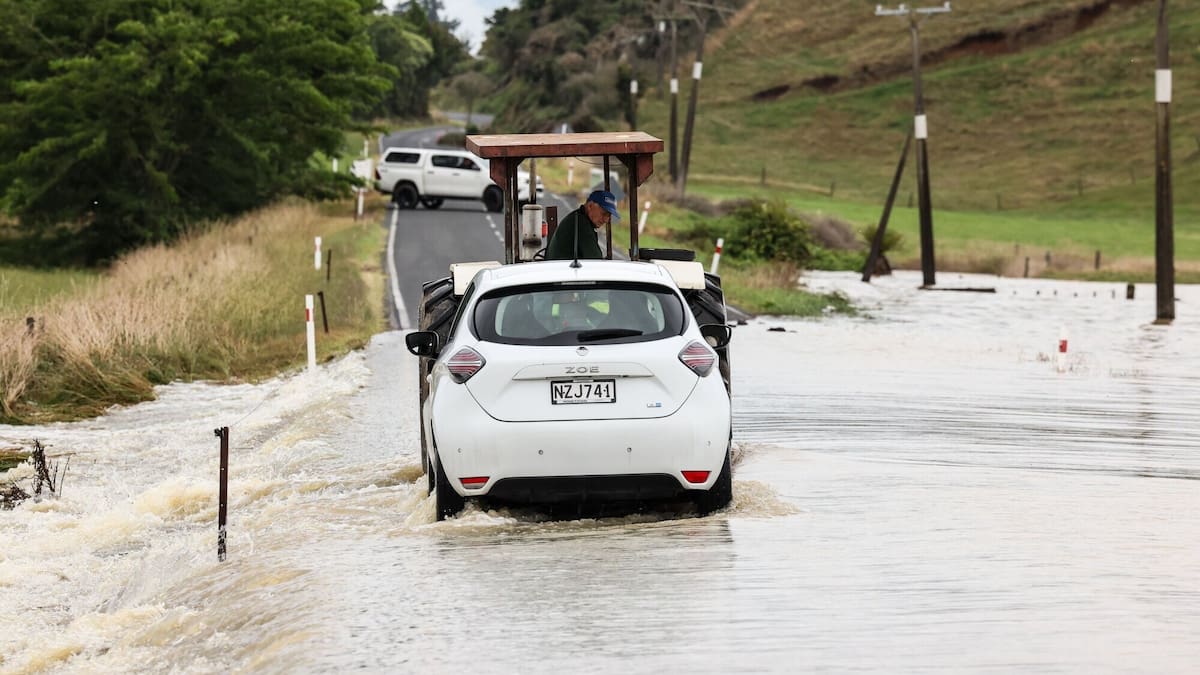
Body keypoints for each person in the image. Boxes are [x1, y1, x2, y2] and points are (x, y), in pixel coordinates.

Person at [545, 190, 621, 260]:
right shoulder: (582, 225)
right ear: (590, 206)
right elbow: (596, 262)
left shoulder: (577, 218)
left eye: (609, 216)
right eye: (604, 214)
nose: (606, 220)